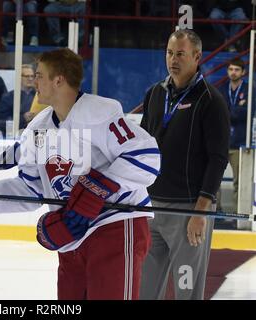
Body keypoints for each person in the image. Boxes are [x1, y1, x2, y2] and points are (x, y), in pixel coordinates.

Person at [0, 48, 161, 299]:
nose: (34, 82)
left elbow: (146, 157)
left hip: (114, 226)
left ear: (59, 80)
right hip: (71, 232)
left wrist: (97, 187)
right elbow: (32, 187)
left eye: (39, 75)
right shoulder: (38, 128)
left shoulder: (100, 113)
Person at [139, 29, 230, 300]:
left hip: (187, 211)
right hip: (151, 207)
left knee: (186, 291)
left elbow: (218, 159)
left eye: (180, 54)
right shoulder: (155, 93)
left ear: (197, 56)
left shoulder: (211, 100)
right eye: (169, 53)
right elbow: (142, 148)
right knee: (144, 290)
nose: (173, 59)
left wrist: (201, 212)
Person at [218, 58, 252, 212]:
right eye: (231, 69)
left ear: (243, 72)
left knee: (239, 182)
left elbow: (248, 113)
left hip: (240, 143)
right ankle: (215, 211)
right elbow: (219, 113)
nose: (233, 72)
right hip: (222, 142)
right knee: (214, 180)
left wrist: (229, 111)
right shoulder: (222, 89)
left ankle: (237, 214)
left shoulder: (250, 89)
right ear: (227, 71)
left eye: (237, 69)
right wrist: (237, 109)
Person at [0, 64, 36, 135]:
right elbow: (1, 122)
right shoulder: (8, 97)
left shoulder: (39, 96)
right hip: (15, 136)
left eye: (32, 76)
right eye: (27, 76)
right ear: (18, 77)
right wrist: (23, 118)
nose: (30, 79)